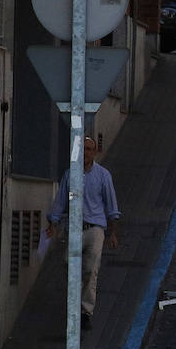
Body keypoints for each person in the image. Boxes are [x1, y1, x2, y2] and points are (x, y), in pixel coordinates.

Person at [45, 137, 120, 330]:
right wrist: (53, 222)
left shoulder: (103, 176)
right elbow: (61, 201)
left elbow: (112, 206)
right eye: (83, 149)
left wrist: (112, 233)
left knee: (90, 269)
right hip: (75, 228)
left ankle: (85, 311)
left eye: (89, 149)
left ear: (94, 152)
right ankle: (73, 306)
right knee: (70, 266)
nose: (86, 152)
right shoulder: (70, 175)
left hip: (95, 229)